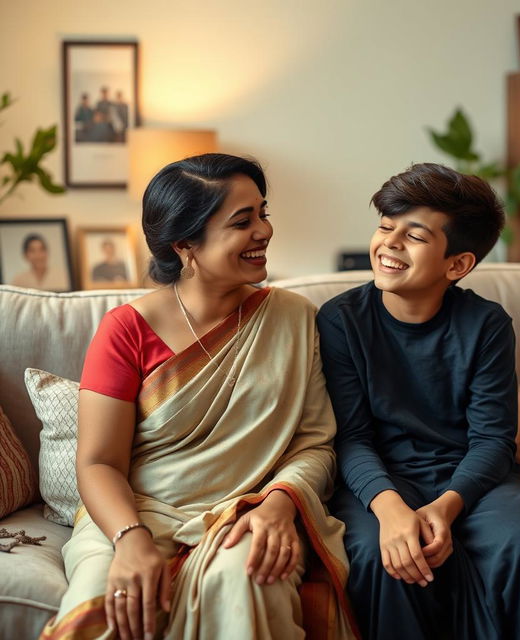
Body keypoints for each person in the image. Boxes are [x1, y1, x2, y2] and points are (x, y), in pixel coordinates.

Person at [40, 154, 358, 640]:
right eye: (242, 221)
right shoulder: (125, 330)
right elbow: (99, 463)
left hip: (246, 510)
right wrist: (130, 540)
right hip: (134, 513)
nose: (265, 231)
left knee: (247, 578)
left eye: (263, 213)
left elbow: (315, 444)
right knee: (107, 609)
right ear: (185, 244)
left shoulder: (293, 319)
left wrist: (279, 504)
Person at [317, 163, 520, 639]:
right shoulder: (340, 320)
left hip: (470, 477)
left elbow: (494, 439)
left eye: (414, 236)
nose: (390, 243)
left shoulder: (487, 324)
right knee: (381, 557)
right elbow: (351, 438)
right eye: (384, 227)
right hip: (378, 479)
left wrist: (447, 506)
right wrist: (389, 507)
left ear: (457, 264)